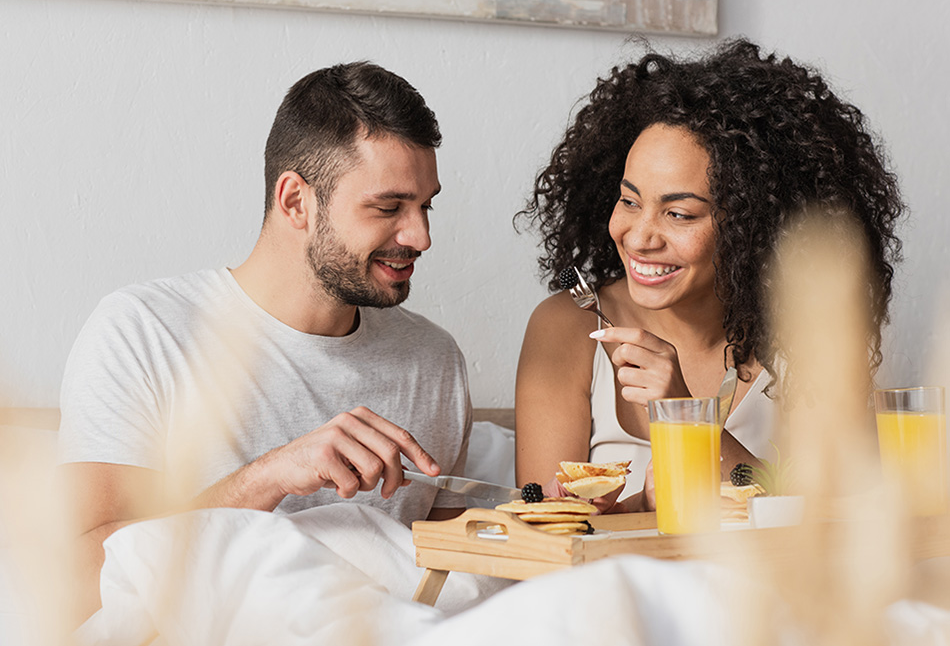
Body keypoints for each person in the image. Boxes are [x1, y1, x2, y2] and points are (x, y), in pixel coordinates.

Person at [58, 61, 471, 621]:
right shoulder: (143, 334)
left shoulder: (434, 362)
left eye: (426, 205)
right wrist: (268, 477)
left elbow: (453, 586)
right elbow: (75, 579)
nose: (420, 235)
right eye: (388, 207)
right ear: (296, 201)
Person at [515, 38, 904, 512]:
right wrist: (643, 504)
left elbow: (828, 523)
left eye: (679, 214)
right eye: (630, 201)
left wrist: (690, 424)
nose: (639, 237)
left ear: (752, 226)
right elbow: (544, 535)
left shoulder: (810, 339)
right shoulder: (568, 327)